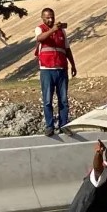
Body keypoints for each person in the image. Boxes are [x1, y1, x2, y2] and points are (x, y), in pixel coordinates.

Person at [35, 8, 77, 136]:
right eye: (47, 17)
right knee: (47, 100)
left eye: (52, 17)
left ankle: (64, 125)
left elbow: (67, 49)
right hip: (47, 70)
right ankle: (49, 126)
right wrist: (52, 30)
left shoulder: (61, 32)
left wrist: (73, 65)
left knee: (63, 99)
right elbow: (40, 38)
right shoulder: (40, 29)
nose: (51, 19)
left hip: (61, 69)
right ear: (43, 18)